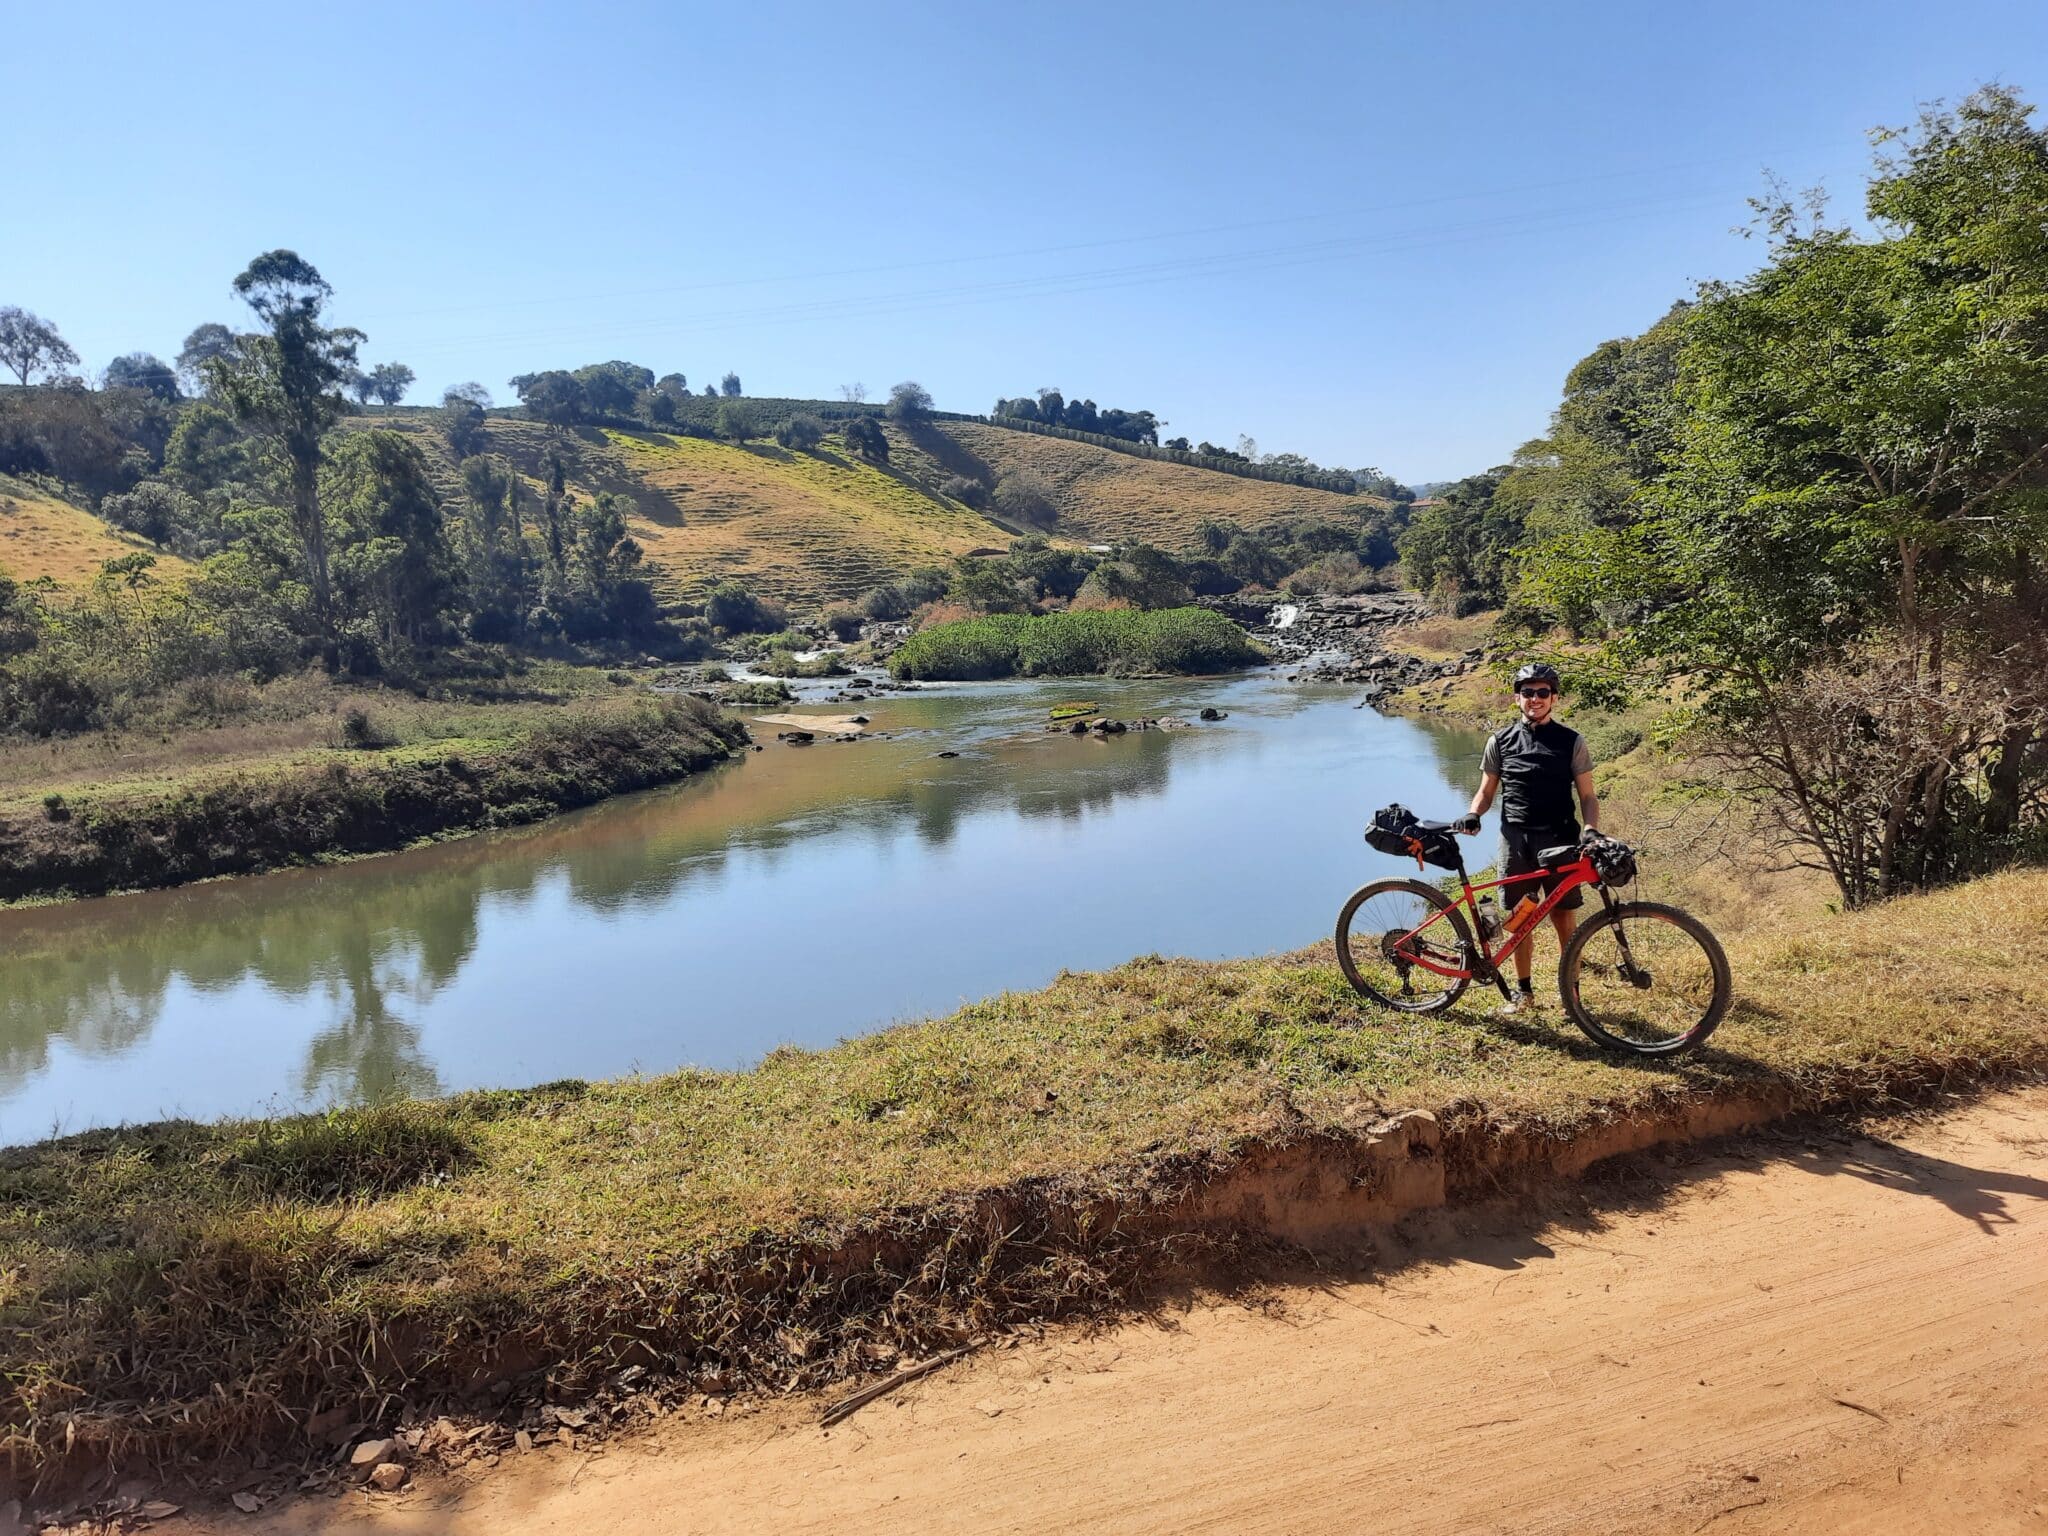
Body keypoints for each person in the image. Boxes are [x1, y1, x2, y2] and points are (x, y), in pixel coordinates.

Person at [1460, 662, 1600, 1014]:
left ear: (1554, 698)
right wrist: (1474, 814)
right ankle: (1524, 993)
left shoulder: (1572, 741)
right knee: (1519, 919)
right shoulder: (1500, 740)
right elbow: (1486, 791)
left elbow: (1587, 796)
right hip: (1516, 840)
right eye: (1527, 693)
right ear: (1517, 698)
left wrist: (1590, 829)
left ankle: (1573, 996)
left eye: (1542, 693)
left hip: (1560, 839)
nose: (1534, 699)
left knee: (1564, 917)